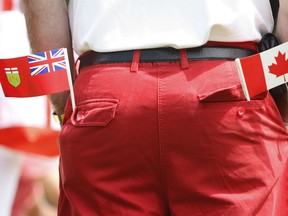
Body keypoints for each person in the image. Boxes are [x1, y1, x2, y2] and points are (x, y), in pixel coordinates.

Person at [22, 0, 288, 215]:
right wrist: (281, 103)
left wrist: (66, 105)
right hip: (230, 86)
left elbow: (40, 5)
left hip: (105, 91)